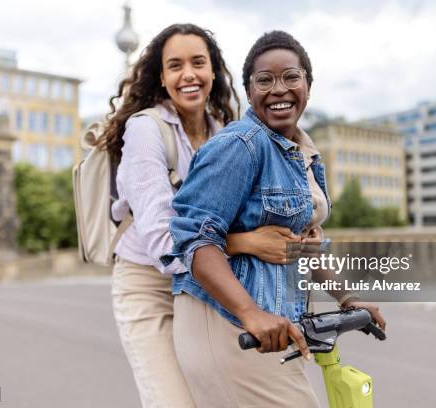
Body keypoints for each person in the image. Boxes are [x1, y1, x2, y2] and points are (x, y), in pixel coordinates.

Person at [166, 31, 387, 407]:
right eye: (264, 80)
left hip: (276, 324)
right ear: (248, 91)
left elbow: (303, 243)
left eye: (290, 77)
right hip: (230, 324)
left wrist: (349, 298)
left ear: (308, 85)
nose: (278, 89)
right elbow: (194, 239)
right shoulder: (241, 145)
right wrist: (250, 312)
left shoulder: (302, 155)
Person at [99, 24, 303, 408]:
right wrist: (247, 242)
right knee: (173, 402)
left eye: (198, 62)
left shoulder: (225, 134)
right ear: (162, 78)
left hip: (205, 282)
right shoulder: (146, 130)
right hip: (149, 283)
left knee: (224, 396)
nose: (188, 74)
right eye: (175, 66)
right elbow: (163, 243)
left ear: (214, 72)